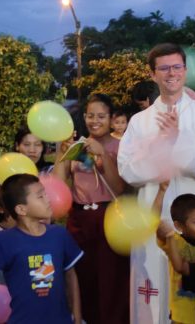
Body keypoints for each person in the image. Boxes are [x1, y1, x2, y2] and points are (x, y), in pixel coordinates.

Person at [118, 43, 195, 324]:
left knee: (193, 301)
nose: (171, 73)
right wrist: (159, 147)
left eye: (177, 67)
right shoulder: (140, 122)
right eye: (163, 68)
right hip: (152, 221)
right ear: (153, 74)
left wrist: (178, 140)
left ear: (186, 71)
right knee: (152, 296)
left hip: (194, 225)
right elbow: (127, 169)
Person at [0, 174, 83, 324]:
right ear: (21, 209)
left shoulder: (59, 234)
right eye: (40, 196)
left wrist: (76, 315)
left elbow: (71, 274)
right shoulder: (3, 240)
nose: (48, 199)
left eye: (45, 193)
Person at [54, 93, 130, 324]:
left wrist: (103, 155)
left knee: (111, 279)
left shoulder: (120, 146)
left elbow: (119, 189)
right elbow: (58, 183)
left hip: (109, 218)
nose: (94, 120)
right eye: (90, 116)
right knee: (82, 276)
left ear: (110, 118)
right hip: (78, 219)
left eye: (101, 116)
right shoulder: (78, 146)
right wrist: (62, 153)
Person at [154, 189, 195, 323]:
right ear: (179, 226)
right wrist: (162, 190)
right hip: (182, 317)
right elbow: (154, 222)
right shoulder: (174, 241)